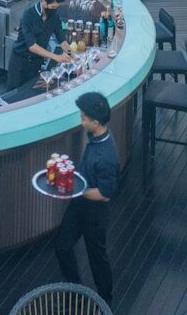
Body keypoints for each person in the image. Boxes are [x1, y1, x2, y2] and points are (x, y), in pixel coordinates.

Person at [55, 91, 120, 307]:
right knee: (62, 246)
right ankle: (75, 290)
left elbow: (105, 194)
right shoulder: (95, 135)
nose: (80, 121)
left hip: (95, 213)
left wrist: (73, 190)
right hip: (79, 206)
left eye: (83, 118)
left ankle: (106, 301)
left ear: (95, 122)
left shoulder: (107, 157)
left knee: (97, 258)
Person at [7, 0, 71, 91]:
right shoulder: (29, 15)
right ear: (44, 2)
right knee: (13, 94)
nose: (55, 10)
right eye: (53, 7)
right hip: (20, 61)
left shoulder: (54, 17)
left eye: (57, 7)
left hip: (36, 62)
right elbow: (32, 46)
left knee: (30, 91)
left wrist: (71, 55)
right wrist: (56, 57)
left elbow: (62, 39)